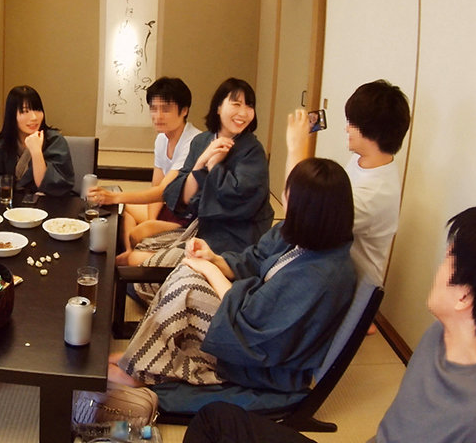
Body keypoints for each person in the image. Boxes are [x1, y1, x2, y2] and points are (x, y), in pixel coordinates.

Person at [182, 205, 476, 443]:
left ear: (464, 296)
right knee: (214, 420)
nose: (439, 266)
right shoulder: (438, 334)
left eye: (448, 258)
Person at [109, 159, 356, 402]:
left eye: (288, 195)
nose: (283, 197)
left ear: (306, 210)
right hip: (250, 311)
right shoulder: (300, 235)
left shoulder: (320, 275)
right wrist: (213, 259)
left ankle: (137, 370)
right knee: (186, 270)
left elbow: (252, 321)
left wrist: (210, 270)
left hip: (265, 354)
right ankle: (140, 356)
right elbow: (254, 258)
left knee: (187, 288)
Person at [121, 78, 273, 270]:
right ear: (218, 107)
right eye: (236, 104)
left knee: (135, 260)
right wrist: (201, 162)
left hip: (234, 239)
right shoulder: (201, 142)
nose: (243, 112)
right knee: (135, 244)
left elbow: (238, 202)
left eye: (249, 106)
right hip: (200, 230)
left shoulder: (252, 151)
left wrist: (214, 166)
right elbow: (183, 198)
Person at [286, 79, 410, 288]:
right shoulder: (364, 159)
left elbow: (301, 214)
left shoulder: (375, 193)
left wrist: (295, 147)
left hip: (346, 288)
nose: (346, 129)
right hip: (327, 268)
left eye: (352, 123)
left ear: (372, 132)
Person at [87, 77, 201, 262]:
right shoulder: (162, 138)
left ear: (184, 110)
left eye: (166, 109)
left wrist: (115, 196)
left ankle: (133, 256)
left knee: (137, 230)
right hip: (169, 207)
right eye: (153, 108)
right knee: (126, 210)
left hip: (188, 217)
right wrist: (151, 219)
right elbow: (156, 185)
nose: (158, 116)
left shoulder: (193, 142)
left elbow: (163, 191)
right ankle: (129, 252)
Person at [0, 85, 74, 196]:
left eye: (37, 110)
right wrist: (15, 187)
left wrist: (36, 152)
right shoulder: (0, 144)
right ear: (12, 115)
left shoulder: (55, 141)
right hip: (9, 203)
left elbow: (54, 186)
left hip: (48, 204)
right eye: (25, 111)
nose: (34, 117)